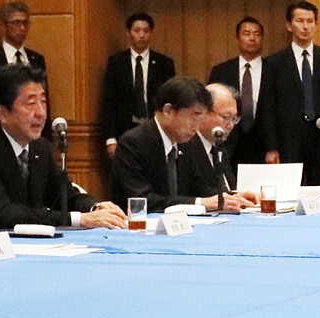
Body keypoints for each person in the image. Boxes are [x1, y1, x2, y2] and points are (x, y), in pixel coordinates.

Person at [0, 63, 126, 237]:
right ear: (2, 113)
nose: (41, 113)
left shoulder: (40, 147)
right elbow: (5, 215)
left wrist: (96, 207)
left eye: (43, 102)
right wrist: (82, 219)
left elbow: (64, 195)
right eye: (31, 103)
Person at [110, 76, 249, 212]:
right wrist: (199, 202)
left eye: (201, 118)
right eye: (194, 116)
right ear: (168, 111)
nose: (197, 126)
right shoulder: (134, 143)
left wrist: (233, 197)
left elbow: (199, 188)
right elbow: (141, 199)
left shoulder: (185, 144)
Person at [259, 1, 320, 188]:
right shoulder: (274, 63)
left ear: (316, 25)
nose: (305, 26)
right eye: (300, 21)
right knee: (289, 191)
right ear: (289, 25)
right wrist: (271, 147)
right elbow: (268, 107)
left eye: (310, 21)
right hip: (288, 141)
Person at [100, 11, 175, 158]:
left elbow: (171, 100)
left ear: (151, 33)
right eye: (137, 30)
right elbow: (109, 102)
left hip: (155, 128)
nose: (141, 35)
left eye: (146, 31)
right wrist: (110, 139)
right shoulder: (116, 62)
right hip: (125, 130)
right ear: (128, 33)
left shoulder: (164, 64)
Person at [0, 1, 46, 127]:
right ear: (3, 26)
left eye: (25, 23)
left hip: (32, 131)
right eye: (16, 23)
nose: (22, 28)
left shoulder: (37, 60)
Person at [207, 15, 270, 165]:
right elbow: (210, 106)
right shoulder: (221, 70)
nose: (252, 38)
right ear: (237, 38)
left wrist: (273, 147)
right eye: (246, 33)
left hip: (262, 143)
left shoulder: (274, 70)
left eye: (256, 34)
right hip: (228, 140)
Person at [184, 83, 249, 203]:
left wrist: (237, 195)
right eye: (226, 117)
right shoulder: (186, 146)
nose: (230, 125)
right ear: (203, 112)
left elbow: (223, 190)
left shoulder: (220, 148)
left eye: (235, 118)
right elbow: (199, 192)